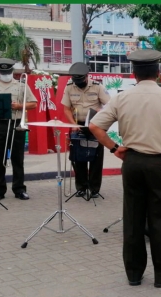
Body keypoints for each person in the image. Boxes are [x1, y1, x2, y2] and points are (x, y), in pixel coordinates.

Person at [89, 49, 161, 288]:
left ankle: (134, 274)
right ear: (158, 73)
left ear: (134, 73)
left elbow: (95, 126)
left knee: (133, 219)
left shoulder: (121, 98)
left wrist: (115, 149)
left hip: (133, 163)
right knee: (160, 220)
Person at [61, 62, 110, 198]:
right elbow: (66, 109)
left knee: (96, 157)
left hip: (95, 125)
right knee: (78, 157)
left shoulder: (97, 86)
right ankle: (81, 187)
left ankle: (94, 188)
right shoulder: (70, 87)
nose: (78, 83)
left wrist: (101, 111)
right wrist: (72, 124)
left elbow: (109, 105)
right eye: (76, 80)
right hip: (78, 125)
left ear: (87, 76)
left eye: (81, 80)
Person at [0, 58, 37, 201]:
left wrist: (19, 106)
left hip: (16, 124)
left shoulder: (21, 85)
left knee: (17, 158)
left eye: (7, 71)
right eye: (3, 71)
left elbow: (34, 103)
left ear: (12, 71)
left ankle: (19, 189)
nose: (5, 74)